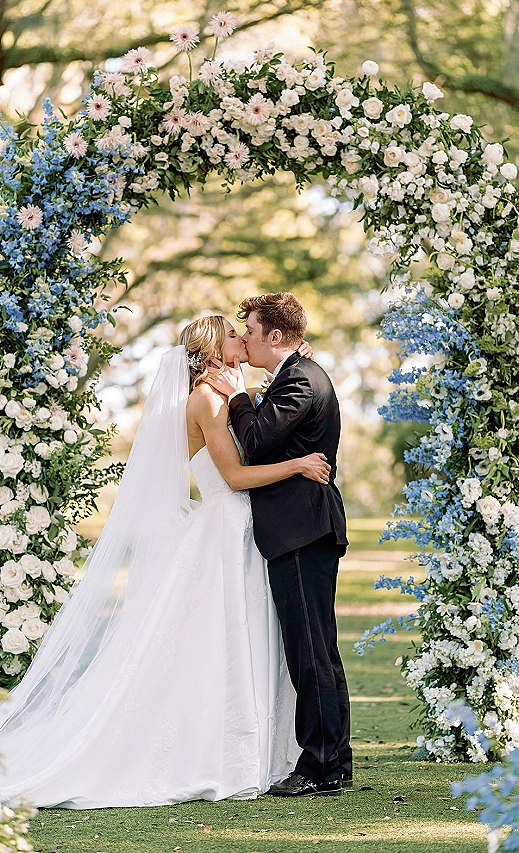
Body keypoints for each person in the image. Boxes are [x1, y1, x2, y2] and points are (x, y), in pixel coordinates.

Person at [0, 315, 331, 809]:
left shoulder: (228, 395)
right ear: (215, 348)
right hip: (223, 524)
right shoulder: (207, 400)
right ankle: (223, 751)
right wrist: (299, 464)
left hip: (238, 529)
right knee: (225, 641)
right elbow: (235, 477)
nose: (244, 340)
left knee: (246, 636)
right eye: (235, 335)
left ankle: (257, 748)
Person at [207, 292, 352, 797]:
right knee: (318, 648)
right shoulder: (296, 375)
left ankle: (318, 767)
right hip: (298, 528)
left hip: (301, 527)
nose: (243, 338)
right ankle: (335, 760)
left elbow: (254, 441)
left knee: (310, 650)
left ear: (274, 336)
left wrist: (239, 395)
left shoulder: (301, 381)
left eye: (249, 330)